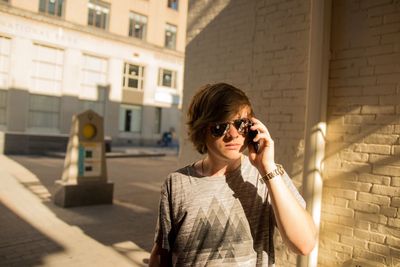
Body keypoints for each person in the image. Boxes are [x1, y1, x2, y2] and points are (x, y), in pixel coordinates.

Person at [149, 83, 316, 266]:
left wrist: (267, 167)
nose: (234, 135)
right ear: (202, 129)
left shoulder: (270, 175)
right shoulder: (177, 183)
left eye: (241, 124)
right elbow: (161, 254)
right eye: (220, 127)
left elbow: (304, 245)